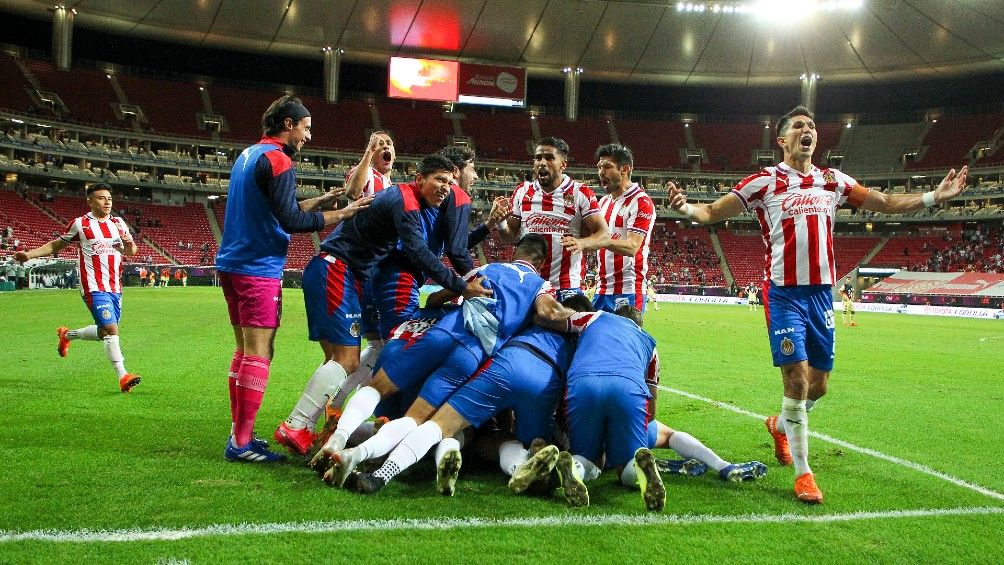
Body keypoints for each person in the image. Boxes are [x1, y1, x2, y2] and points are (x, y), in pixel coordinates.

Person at [666, 105, 970, 504]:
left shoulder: (833, 180)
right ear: (781, 139)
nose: (807, 132)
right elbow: (711, 212)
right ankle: (803, 473)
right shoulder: (764, 182)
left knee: (819, 386)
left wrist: (933, 196)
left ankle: (780, 425)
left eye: (811, 127)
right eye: (798, 127)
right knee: (796, 379)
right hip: (784, 294)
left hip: (821, 295)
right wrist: (686, 208)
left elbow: (882, 202)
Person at [317, 235, 576, 493]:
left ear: (515, 252)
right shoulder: (541, 286)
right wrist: (580, 316)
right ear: (541, 262)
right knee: (421, 421)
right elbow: (548, 313)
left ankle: (339, 440)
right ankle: (372, 467)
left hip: (443, 334)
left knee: (377, 387)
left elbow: (433, 300)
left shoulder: (486, 268)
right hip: (472, 355)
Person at [274, 149, 486, 455]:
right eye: (440, 180)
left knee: (348, 357)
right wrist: (462, 285)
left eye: (449, 182)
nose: (446, 187)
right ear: (419, 178)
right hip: (338, 268)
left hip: (348, 273)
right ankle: (298, 424)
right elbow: (418, 251)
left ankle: (316, 422)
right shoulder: (406, 199)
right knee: (352, 358)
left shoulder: (406, 198)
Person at [215, 95, 371, 463]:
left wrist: (318, 201)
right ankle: (240, 442)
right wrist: (343, 213)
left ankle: (241, 436)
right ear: (289, 125)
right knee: (259, 353)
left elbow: (275, 211)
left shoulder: (249, 155)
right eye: (306, 127)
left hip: (232, 264)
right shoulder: (280, 160)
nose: (308, 136)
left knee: (243, 351)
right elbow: (290, 222)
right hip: (258, 268)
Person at [14, 183, 142, 393]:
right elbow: (56, 245)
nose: (107, 202)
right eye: (101, 198)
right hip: (92, 285)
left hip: (115, 286)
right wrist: (29, 255)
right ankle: (123, 376)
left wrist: (128, 246)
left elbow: (131, 251)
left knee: (104, 331)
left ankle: (67, 335)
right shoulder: (80, 224)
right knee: (112, 329)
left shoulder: (119, 223)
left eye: (109, 198)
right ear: (90, 201)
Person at [498, 137, 610, 300]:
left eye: (549, 158)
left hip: (566, 286)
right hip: (528, 284)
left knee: (565, 324)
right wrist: (500, 222)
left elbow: (604, 235)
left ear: (563, 164)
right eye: (538, 158)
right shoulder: (522, 191)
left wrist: (582, 243)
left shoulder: (580, 193)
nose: (542, 163)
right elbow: (508, 238)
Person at [592, 144, 656, 312]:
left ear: (625, 169)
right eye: (599, 167)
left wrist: (598, 239)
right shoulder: (604, 202)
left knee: (624, 338)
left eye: (607, 166)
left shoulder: (641, 202)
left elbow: (632, 247)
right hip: (602, 289)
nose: (600, 172)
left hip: (629, 291)